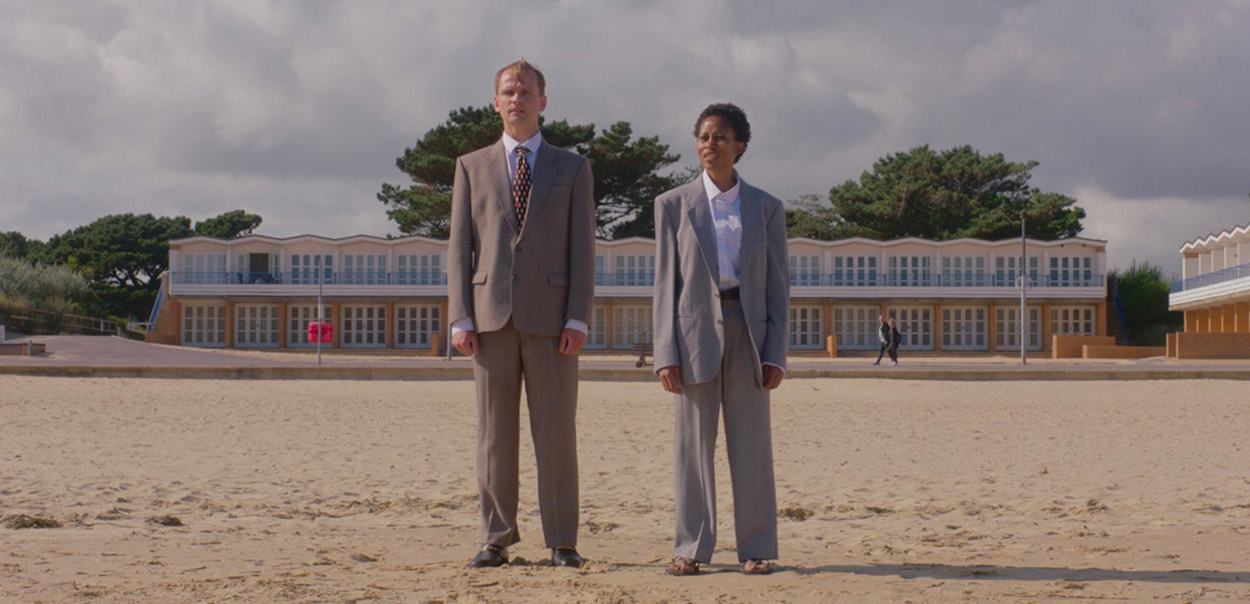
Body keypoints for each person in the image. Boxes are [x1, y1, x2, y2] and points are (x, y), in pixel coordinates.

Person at [447, 58, 596, 569]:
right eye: (508, 91)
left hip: (554, 322)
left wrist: (578, 316)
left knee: (556, 433)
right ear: (496, 102)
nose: (517, 99)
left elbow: (583, 248)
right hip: (488, 321)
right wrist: (460, 316)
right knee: (493, 435)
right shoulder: (470, 165)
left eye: (526, 91)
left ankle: (562, 540)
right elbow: (459, 247)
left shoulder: (572, 167)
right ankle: (495, 537)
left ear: (543, 101)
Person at [652, 103, 789, 576]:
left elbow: (777, 287)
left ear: (740, 146)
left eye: (721, 137)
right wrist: (665, 353)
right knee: (692, 448)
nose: (711, 145)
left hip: (750, 334)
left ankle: (756, 548)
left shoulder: (767, 208)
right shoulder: (672, 205)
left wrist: (776, 355)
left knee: (751, 446)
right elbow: (665, 283)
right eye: (704, 137)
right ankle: (690, 547)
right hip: (693, 337)